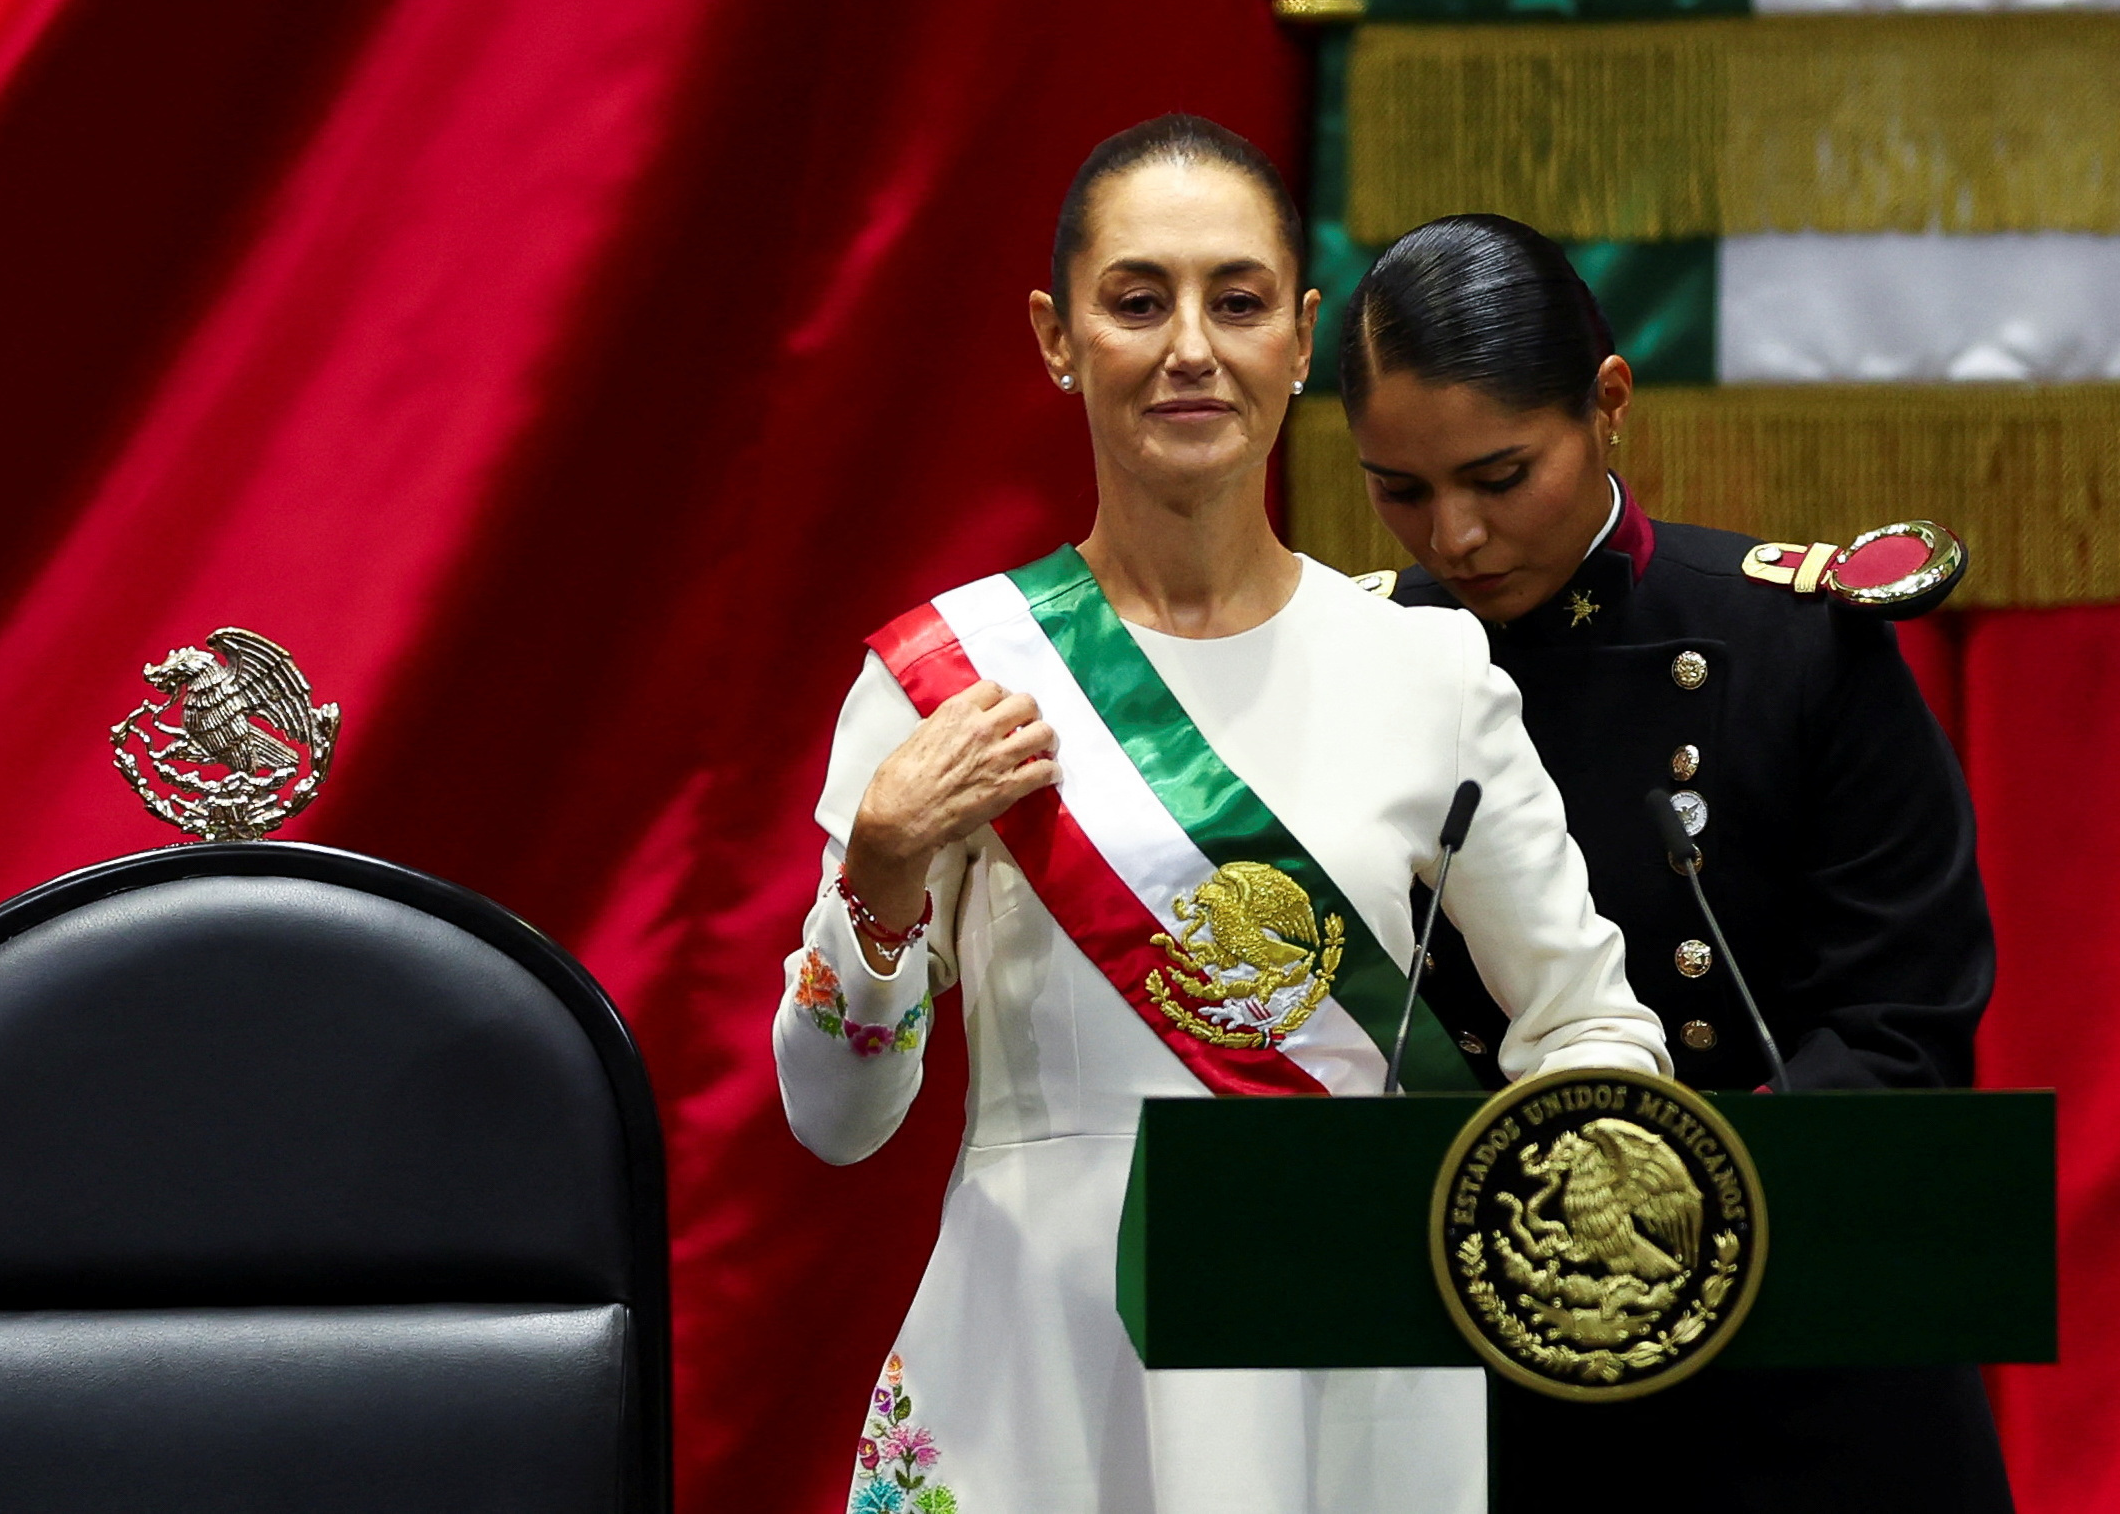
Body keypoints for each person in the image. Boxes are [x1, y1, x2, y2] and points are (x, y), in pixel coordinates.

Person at [773, 118, 1670, 1514]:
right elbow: (834, 1120)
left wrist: (1525, 1233)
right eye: (1137, 301)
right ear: (1055, 336)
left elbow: (1593, 1026)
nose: (1189, 345)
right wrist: (883, 867)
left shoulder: (1426, 673)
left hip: (1351, 1356)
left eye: (1236, 300)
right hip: (1050, 1359)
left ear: (1301, 339)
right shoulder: (945, 678)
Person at [1336, 212, 2009, 1512]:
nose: (1454, 539)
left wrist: (1670, 1218)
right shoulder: (1345, 667)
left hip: (1791, 1362)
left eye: (1496, 475)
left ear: (1607, 405)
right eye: (1399, 490)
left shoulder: (1794, 647)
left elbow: (1900, 1025)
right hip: (1476, 1373)